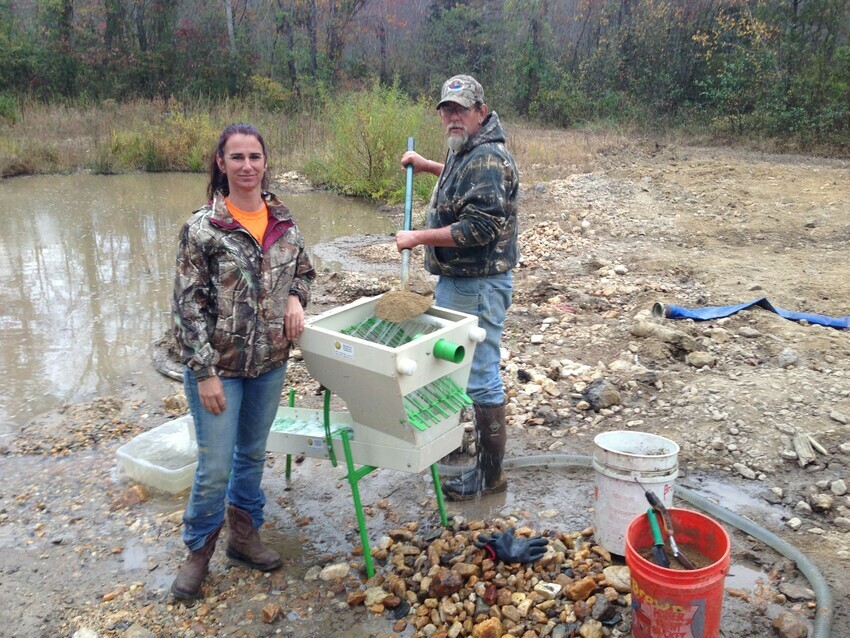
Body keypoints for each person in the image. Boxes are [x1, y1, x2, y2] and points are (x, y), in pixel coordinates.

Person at [170, 123, 315, 599]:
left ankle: (244, 536)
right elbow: (187, 308)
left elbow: (304, 272)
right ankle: (198, 552)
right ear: (221, 163)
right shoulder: (202, 229)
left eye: (255, 156)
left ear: (266, 162)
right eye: (237, 157)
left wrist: (296, 297)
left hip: (270, 364)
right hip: (219, 371)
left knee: (251, 455)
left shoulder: (283, 221)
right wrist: (205, 372)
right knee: (214, 466)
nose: (247, 166)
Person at [396, 75, 519, 500]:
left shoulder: (487, 157)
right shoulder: (467, 148)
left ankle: (490, 476)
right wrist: (426, 165)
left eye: (460, 110)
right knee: (466, 371)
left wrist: (417, 238)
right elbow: (458, 176)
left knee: (481, 377)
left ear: (480, 112)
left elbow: (480, 228)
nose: (451, 117)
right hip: (464, 282)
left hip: (478, 285)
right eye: (446, 110)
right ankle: (478, 461)